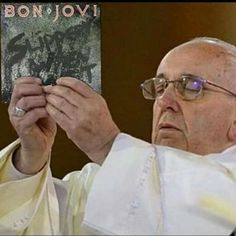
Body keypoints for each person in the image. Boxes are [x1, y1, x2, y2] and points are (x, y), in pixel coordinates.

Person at [0, 36, 236, 235]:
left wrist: (106, 144)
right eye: (161, 87)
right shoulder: (97, 186)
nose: (164, 102)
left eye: (191, 86)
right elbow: (34, 223)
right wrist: (29, 161)